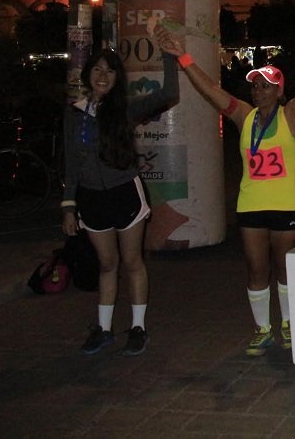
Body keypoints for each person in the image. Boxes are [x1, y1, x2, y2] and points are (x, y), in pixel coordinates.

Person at [164, 15, 295, 356]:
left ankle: (289, 323)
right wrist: (183, 56)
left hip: (285, 205)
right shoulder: (243, 116)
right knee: (256, 267)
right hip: (250, 206)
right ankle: (263, 328)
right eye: (255, 85)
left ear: (279, 91)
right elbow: (211, 90)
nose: (258, 90)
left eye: (266, 85)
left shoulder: (290, 116)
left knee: (284, 267)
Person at [62, 26, 180, 356]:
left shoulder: (126, 108)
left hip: (125, 194)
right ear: (88, 74)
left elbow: (169, 94)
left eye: (109, 70)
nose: (103, 75)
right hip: (91, 198)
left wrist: (169, 56)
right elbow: (71, 163)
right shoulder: (74, 113)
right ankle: (103, 329)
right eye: (97, 69)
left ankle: (138, 327)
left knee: (132, 261)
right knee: (106, 264)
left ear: (117, 77)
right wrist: (69, 206)